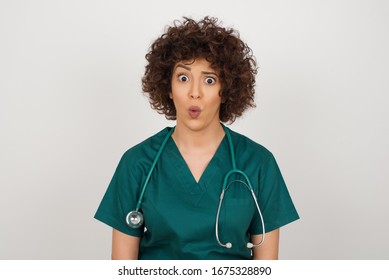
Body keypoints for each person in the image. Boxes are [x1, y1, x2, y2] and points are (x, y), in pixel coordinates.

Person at [94, 16, 299, 260]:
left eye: (209, 80)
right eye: (183, 78)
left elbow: (267, 268)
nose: (194, 93)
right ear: (168, 88)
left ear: (227, 90)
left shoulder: (258, 163)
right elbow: (122, 269)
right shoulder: (138, 163)